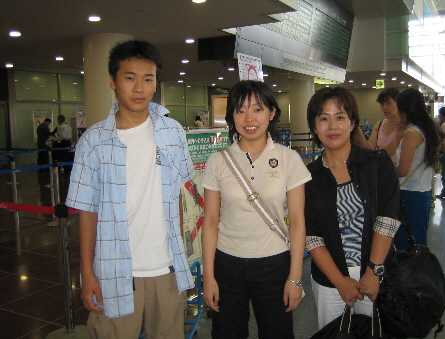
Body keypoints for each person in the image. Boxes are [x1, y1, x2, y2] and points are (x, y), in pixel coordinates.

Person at [66, 40, 195, 339]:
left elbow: (177, 195)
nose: (139, 87)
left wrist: (182, 261)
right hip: (115, 272)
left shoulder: (172, 131)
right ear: (113, 81)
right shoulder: (93, 141)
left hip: (167, 269)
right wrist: (87, 274)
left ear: (156, 84)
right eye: (129, 77)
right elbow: (88, 211)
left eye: (148, 79)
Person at [201, 80, 311, 339]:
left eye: (257, 109)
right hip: (227, 263)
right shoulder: (218, 160)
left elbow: (297, 221)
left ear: (271, 113)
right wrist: (209, 276)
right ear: (232, 117)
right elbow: (210, 221)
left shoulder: (288, 159)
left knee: (277, 333)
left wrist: (295, 278)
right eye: (240, 110)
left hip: (274, 263)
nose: (249, 118)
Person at [304, 86, 401, 329]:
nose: (332, 126)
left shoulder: (377, 164)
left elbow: (387, 219)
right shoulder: (308, 177)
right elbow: (311, 234)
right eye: (323, 118)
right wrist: (339, 281)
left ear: (352, 122)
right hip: (330, 279)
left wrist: (373, 271)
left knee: (375, 332)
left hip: (375, 275)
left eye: (340, 117)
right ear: (315, 127)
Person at [393, 88, 440, 249]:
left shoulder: (411, 133)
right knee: (417, 241)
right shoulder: (425, 130)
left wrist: (386, 170)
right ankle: (417, 273)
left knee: (405, 242)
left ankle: (406, 274)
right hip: (422, 193)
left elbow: (403, 170)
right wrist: (399, 136)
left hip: (409, 194)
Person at [353, 88, 404, 163]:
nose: (384, 108)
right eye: (382, 104)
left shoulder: (405, 126)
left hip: (399, 170)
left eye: (388, 103)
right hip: (381, 170)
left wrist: (373, 155)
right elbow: (370, 148)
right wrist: (357, 130)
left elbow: (390, 150)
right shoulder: (379, 125)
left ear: (398, 103)